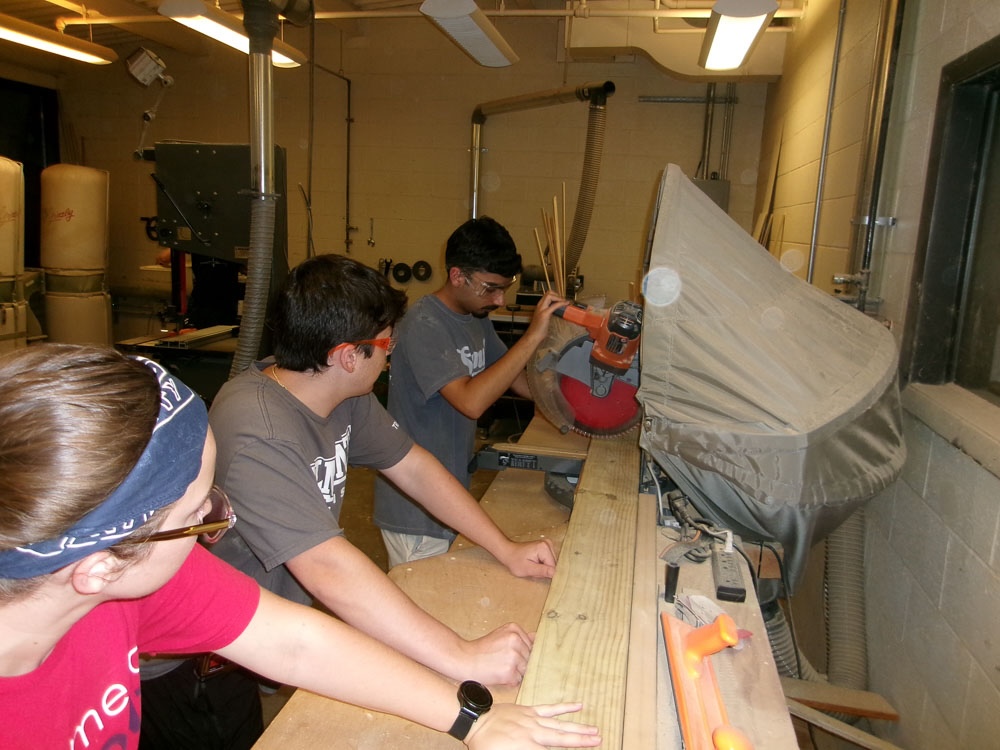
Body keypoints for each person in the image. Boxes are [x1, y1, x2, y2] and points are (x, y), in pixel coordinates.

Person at [0, 343, 602, 750]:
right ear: (98, 566)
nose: (214, 521)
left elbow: (294, 642)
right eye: (195, 518)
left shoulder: (128, 586)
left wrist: (473, 719)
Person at [374, 216, 568, 566]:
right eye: (490, 288)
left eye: (505, 287)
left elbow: (515, 379)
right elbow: (471, 402)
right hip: (416, 508)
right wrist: (532, 336)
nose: (499, 299)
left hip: (449, 495)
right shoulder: (423, 324)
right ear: (457, 275)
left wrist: (573, 402)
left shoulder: (475, 320)